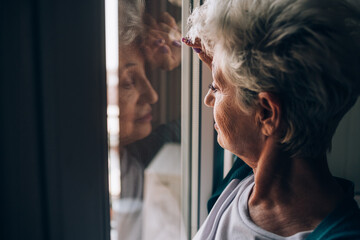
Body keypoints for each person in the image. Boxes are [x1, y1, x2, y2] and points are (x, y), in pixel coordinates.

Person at [183, 0, 360, 239]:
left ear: (266, 112)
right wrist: (223, 72)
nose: (208, 99)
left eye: (215, 86)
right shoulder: (255, 173)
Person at [115, 0, 181, 239]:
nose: (153, 95)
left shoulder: (148, 154)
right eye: (129, 81)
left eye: (146, 73)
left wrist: (188, 50)